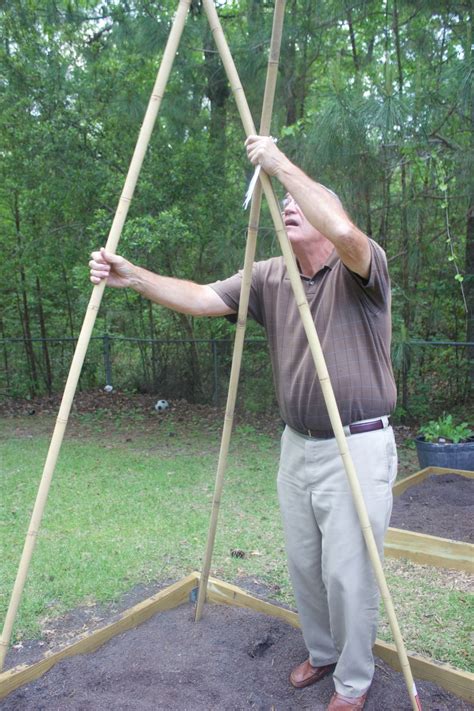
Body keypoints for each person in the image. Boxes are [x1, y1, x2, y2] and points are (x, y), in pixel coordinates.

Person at [89, 135, 397, 711]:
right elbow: (204, 296)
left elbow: (348, 236)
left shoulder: (362, 269)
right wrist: (133, 277)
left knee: (348, 574)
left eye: (300, 203)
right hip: (297, 444)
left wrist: (279, 165)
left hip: (357, 446)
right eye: (283, 201)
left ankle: (353, 680)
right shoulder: (271, 275)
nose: (286, 206)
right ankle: (322, 651)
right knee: (305, 563)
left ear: (330, 215)